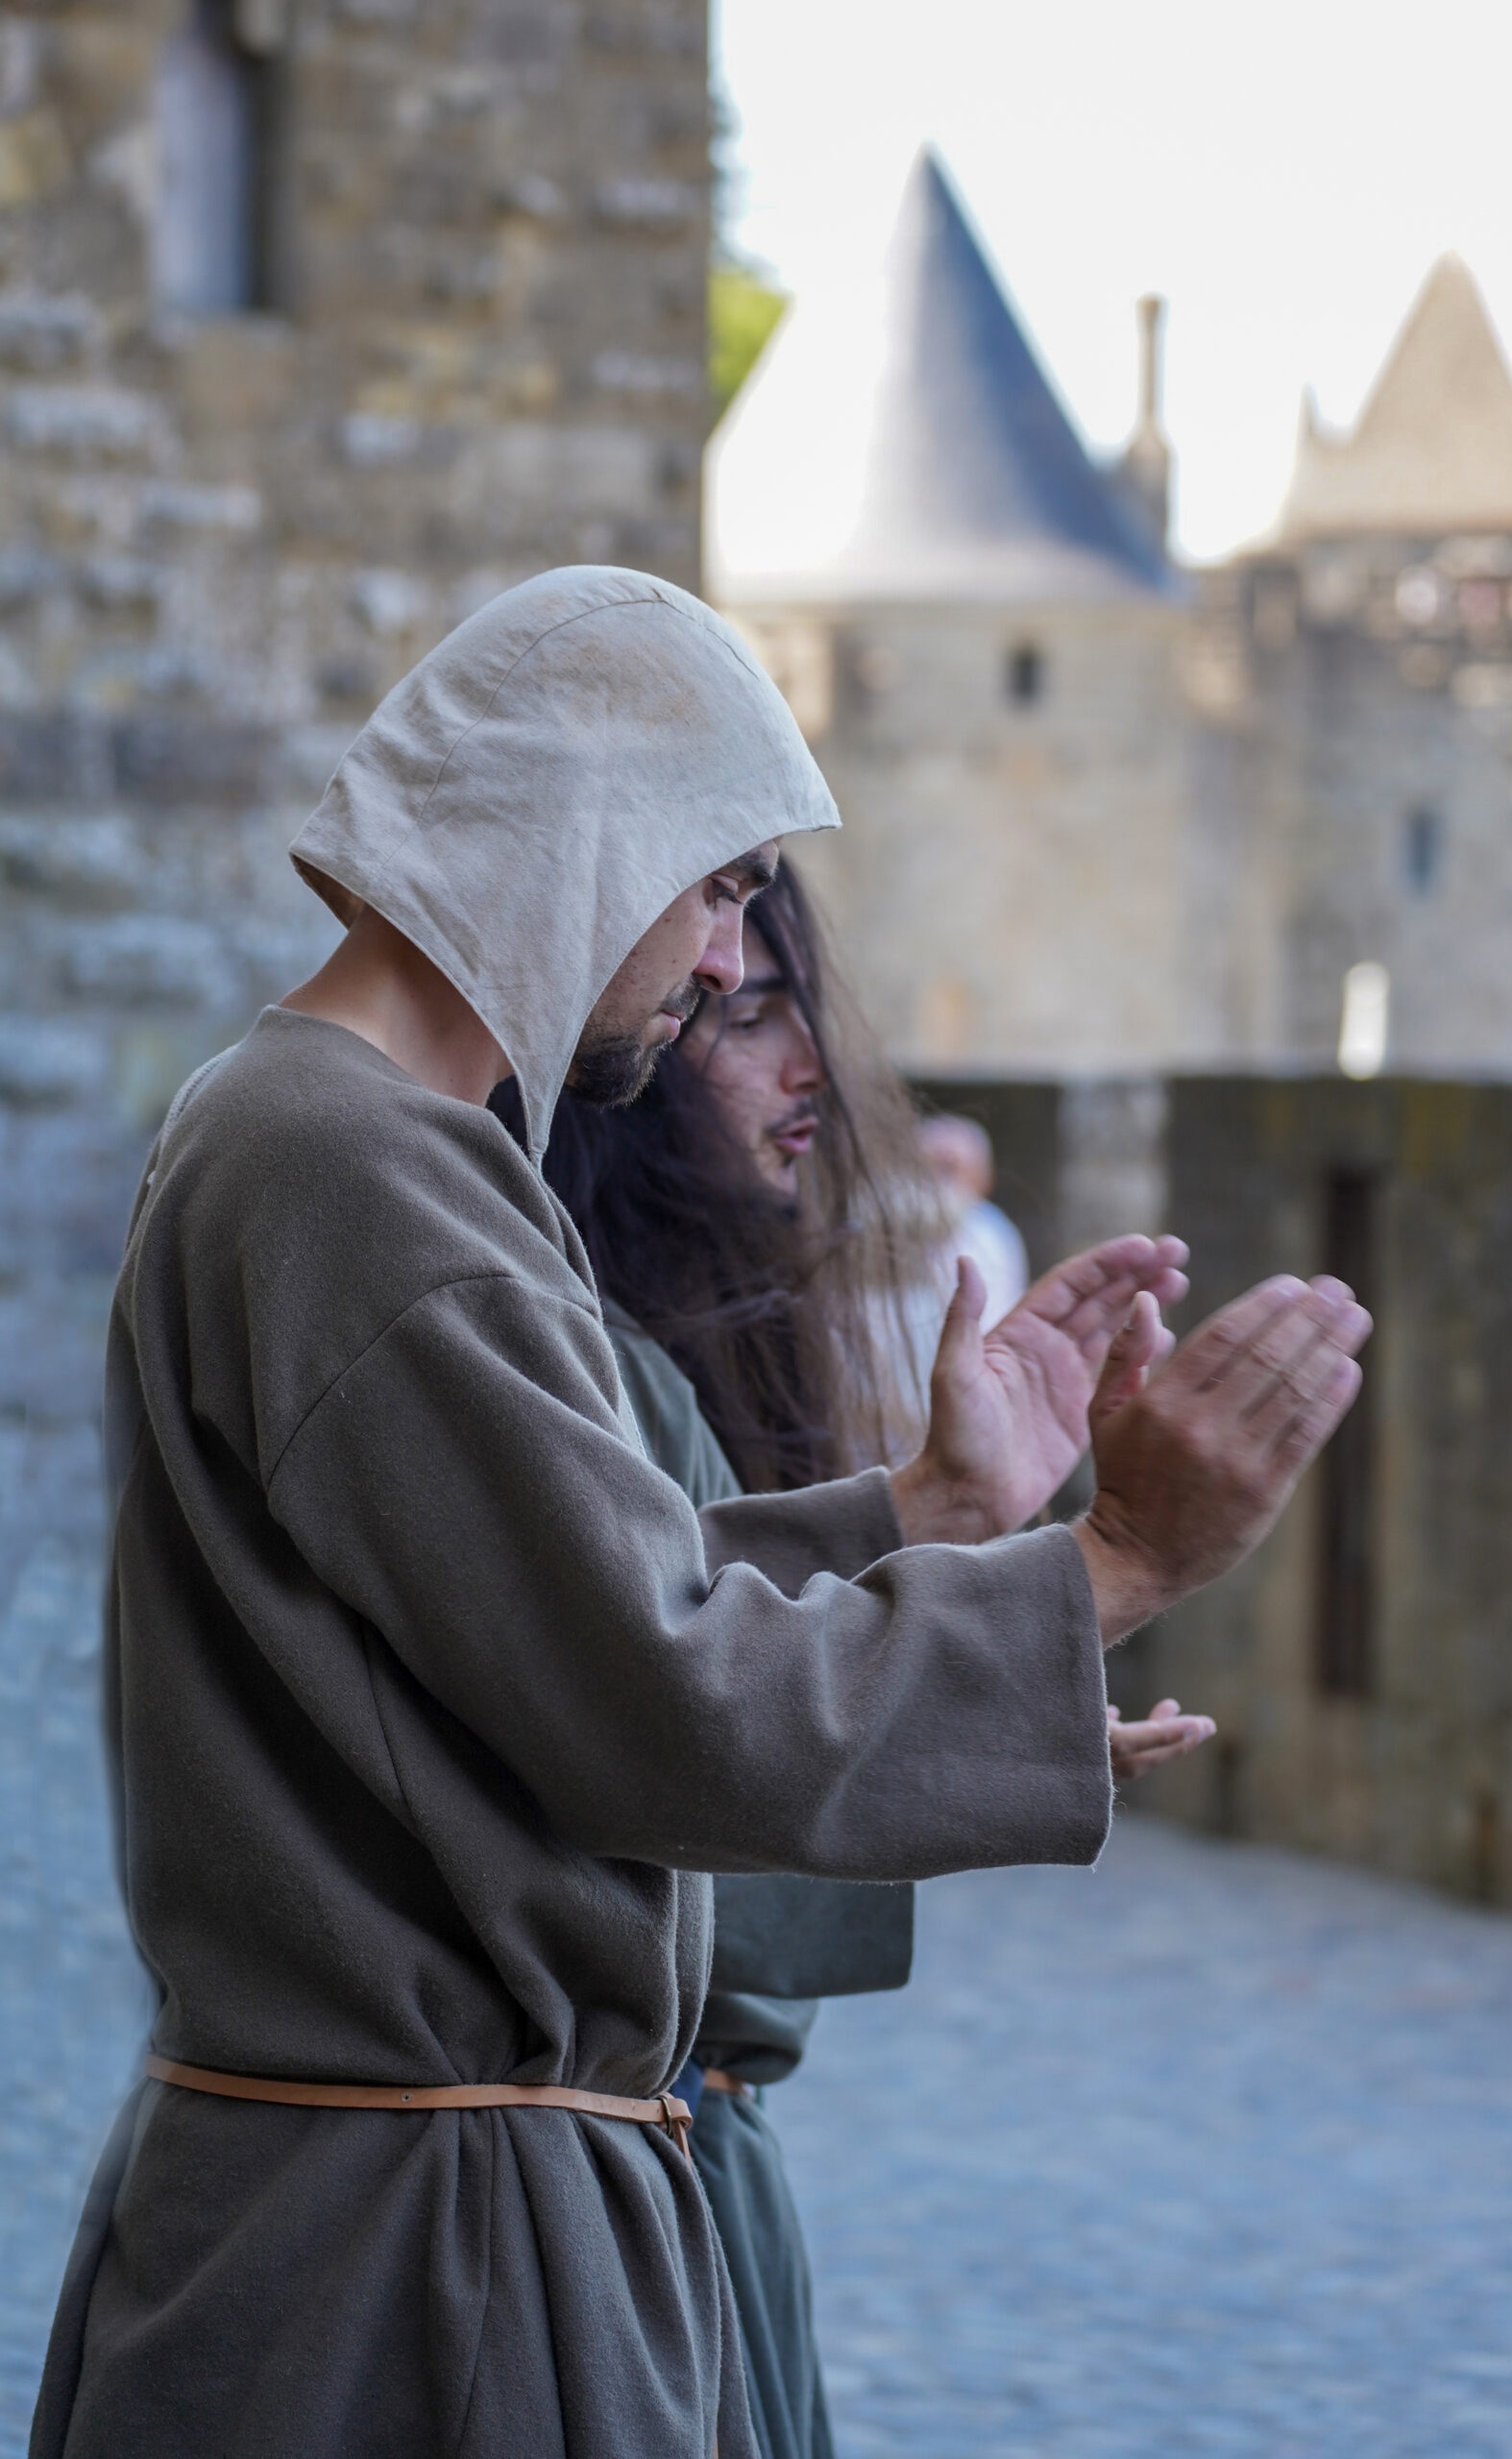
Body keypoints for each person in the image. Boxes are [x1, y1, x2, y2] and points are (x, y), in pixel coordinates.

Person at [33, 567, 1369, 2459]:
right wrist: (1111, 1557)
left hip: (420, 2241)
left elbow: (569, 1613)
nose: (736, 952)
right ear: (592, 830)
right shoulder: (346, 1164)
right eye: (723, 878)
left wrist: (930, 1509)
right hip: (411, 2294)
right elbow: (659, 1701)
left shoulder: (350, 1145)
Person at [540, 860, 1216, 2459]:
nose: (812, 1077)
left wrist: (963, 1526)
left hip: (681, 2166)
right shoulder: (583, 1366)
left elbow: (725, 1683)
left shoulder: (683, 1348)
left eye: (799, 1010)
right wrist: (1092, 1576)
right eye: (742, 1013)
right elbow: (656, 1790)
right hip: (610, 2186)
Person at [919, 1111, 1031, 1330]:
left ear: (983, 1177)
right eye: (933, 1166)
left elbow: (999, 1313)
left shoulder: (993, 1233)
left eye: (949, 1168)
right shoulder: (883, 1227)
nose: (939, 1180)